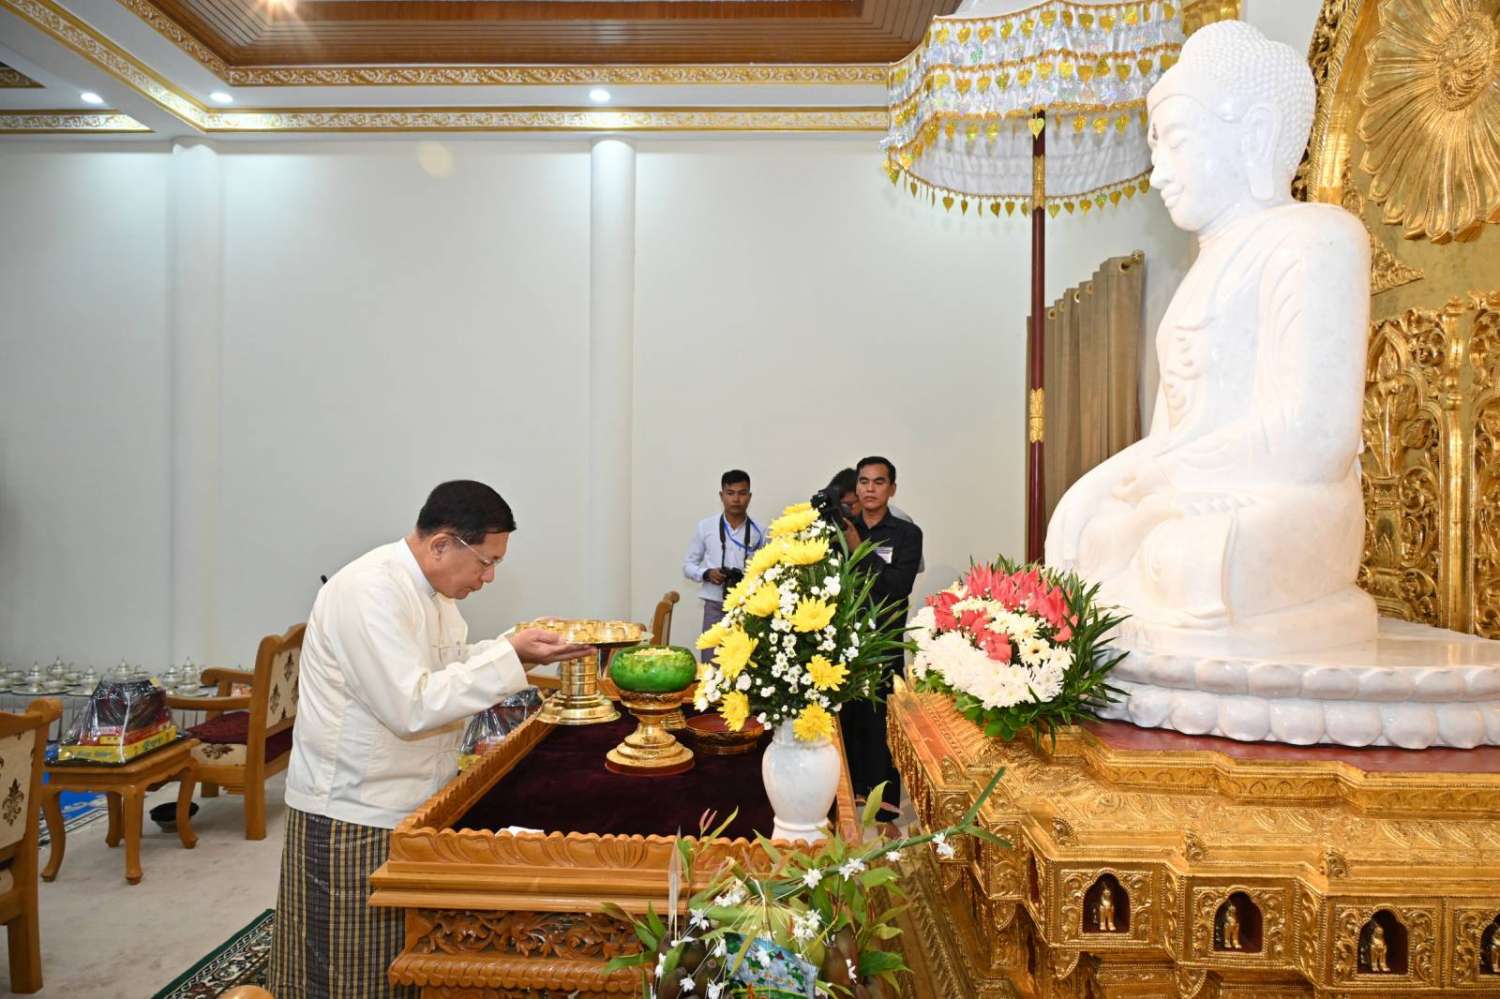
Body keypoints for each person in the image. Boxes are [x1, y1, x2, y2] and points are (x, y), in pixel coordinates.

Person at [267, 480, 592, 999]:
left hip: (413, 800)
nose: (489, 577)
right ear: (442, 543)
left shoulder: (434, 594)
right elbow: (412, 705)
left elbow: (449, 665)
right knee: (345, 976)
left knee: (403, 962)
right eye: (486, 562)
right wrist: (509, 658)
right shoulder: (368, 592)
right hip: (355, 810)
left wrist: (513, 649)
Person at [838, 456, 922, 815]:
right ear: (856, 487)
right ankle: (848, 797)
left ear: (892, 489)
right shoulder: (840, 530)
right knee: (846, 720)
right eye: (864, 481)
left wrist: (858, 548)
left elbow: (896, 587)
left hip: (884, 641)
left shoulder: (906, 534)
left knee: (881, 721)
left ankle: (884, 806)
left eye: (878, 482)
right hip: (844, 642)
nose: (870, 489)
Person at [683, 469, 767, 659]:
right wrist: (707, 574)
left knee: (746, 663)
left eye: (742, 493)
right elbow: (687, 566)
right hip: (715, 605)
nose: (736, 499)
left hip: (748, 607)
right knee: (711, 663)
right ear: (722, 496)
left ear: (750, 497)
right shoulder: (705, 527)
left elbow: (768, 571)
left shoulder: (760, 531)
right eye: (730, 493)